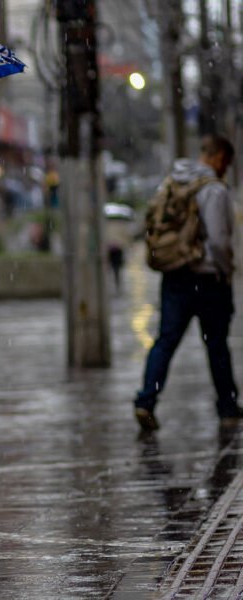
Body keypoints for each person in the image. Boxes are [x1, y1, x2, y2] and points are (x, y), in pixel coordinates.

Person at [135, 135, 241, 431]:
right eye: (227, 162)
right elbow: (219, 241)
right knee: (217, 345)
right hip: (208, 278)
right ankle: (227, 407)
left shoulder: (173, 182)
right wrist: (226, 269)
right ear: (219, 157)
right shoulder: (214, 191)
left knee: (166, 342)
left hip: (175, 275)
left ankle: (146, 401)